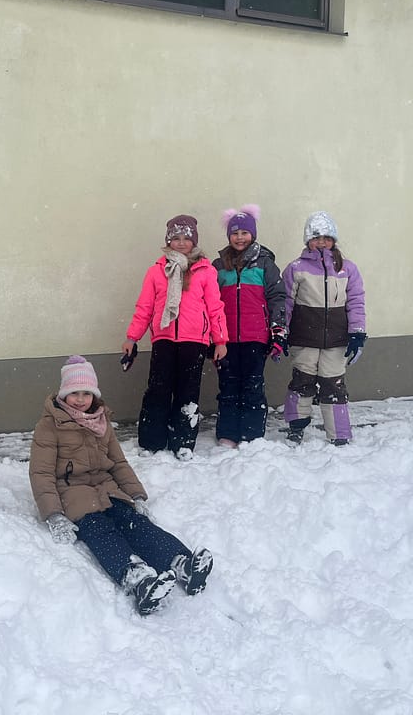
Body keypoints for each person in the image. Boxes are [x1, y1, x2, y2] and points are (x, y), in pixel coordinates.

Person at [29, 356, 214, 615]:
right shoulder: (50, 425)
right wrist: (54, 514)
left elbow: (118, 462)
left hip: (107, 490)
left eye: (86, 393)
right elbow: (41, 473)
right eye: (74, 393)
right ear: (63, 394)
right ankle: (139, 581)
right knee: (102, 532)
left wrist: (136, 494)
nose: (80, 399)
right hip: (73, 495)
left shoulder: (101, 421)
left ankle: (182, 564)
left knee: (136, 524)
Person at [122, 214, 228, 460]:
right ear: (168, 241)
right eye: (176, 238)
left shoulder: (205, 271)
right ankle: (152, 441)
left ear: (194, 242)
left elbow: (215, 308)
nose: (181, 243)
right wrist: (132, 337)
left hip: (195, 342)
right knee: (158, 391)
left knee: (187, 393)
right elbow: (144, 308)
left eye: (186, 238)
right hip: (164, 340)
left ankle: (183, 441)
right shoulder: (156, 271)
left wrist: (220, 340)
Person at [281, 211, 367, 446]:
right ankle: (297, 424)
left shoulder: (347, 269)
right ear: (308, 240)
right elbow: (286, 302)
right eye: (316, 237)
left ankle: (339, 432)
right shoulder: (296, 268)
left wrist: (357, 332)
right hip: (304, 337)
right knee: (302, 381)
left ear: (334, 240)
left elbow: (356, 302)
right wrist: (281, 331)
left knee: (333, 384)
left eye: (326, 238)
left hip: (336, 340)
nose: (321, 242)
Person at [211, 205, 287, 447]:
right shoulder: (218, 265)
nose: (239, 237)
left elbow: (277, 298)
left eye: (244, 233)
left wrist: (277, 330)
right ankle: (228, 433)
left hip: (256, 335)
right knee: (228, 385)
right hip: (226, 338)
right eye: (235, 233)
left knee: (252, 385)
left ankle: (252, 433)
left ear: (252, 234)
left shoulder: (265, 264)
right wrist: (212, 336)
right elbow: (210, 302)